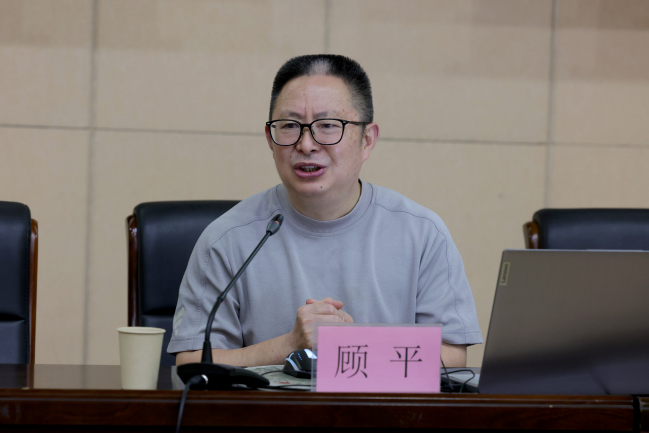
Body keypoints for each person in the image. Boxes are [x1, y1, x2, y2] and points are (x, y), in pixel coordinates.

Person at [168, 54, 482, 368]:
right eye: (289, 126)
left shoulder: (422, 234)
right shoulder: (225, 240)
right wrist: (289, 345)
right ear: (270, 139)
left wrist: (350, 350)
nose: (306, 144)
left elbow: (451, 355)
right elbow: (191, 365)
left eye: (328, 125)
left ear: (367, 139)